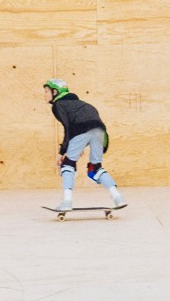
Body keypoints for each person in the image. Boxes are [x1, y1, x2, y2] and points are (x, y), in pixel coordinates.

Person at [43, 79, 126, 211]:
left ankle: (67, 202)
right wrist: (78, 144)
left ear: (55, 92)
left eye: (47, 91)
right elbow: (92, 125)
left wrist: (62, 151)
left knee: (67, 164)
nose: (45, 94)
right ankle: (118, 198)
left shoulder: (58, 105)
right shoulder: (83, 104)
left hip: (80, 131)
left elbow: (68, 128)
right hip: (100, 131)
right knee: (95, 168)